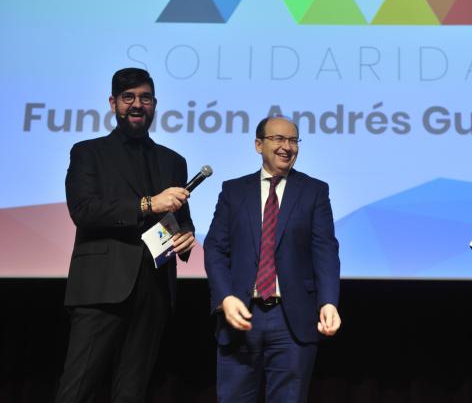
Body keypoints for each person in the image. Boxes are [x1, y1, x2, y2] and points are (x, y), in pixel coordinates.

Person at [55, 68, 196, 402]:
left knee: (132, 393)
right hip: (102, 287)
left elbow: (181, 220)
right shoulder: (88, 152)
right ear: (113, 103)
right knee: (77, 388)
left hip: (154, 289)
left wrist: (186, 238)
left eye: (144, 98)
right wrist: (148, 204)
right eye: (128, 97)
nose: (137, 105)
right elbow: (84, 211)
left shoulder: (173, 161)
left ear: (154, 104)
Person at [204, 115, 341, 403]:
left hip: (292, 321)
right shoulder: (233, 191)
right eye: (278, 139)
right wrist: (225, 297)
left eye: (293, 140)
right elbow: (215, 247)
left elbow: (325, 249)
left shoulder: (314, 191)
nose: (287, 147)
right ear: (258, 145)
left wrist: (328, 301)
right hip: (240, 314)